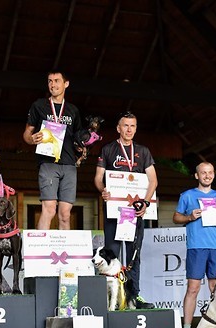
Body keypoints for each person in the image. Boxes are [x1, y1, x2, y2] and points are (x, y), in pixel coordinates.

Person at [94, 112, 157, 309]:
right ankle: (110, 299)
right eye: (125, 125)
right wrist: (102, 190)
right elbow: (98, 178)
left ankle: (133, 297)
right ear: (118, 128)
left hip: (135, 213)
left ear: (136, 129)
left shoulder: (143, 151)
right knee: (111, 254)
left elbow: (153, 180)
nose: (129, 129)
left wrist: (145, 203)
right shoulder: (108, 149)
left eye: (132, 126)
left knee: (133, 256)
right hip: (114, 211)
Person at [173, 162, 216, 328]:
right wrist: (189, 217)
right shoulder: (187, 195)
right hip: (196, 247)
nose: (207, 176)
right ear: (197, 175)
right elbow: (176, 217)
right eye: (203, 173)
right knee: (193, 288)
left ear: (213, 174)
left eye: (210, 172)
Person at [23, 71, 82, 230]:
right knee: (49, 209)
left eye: (57, 81)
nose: (53, 84)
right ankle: (40, 245)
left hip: (69, 164)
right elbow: (27, 133)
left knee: (65, 214)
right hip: (48, 162)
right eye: (50, 81)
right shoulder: (39, 105)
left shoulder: (73, 110)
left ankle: (65, 246)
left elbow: (78, 138)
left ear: (66, 84)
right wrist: (31, 139)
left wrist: (82, 148)